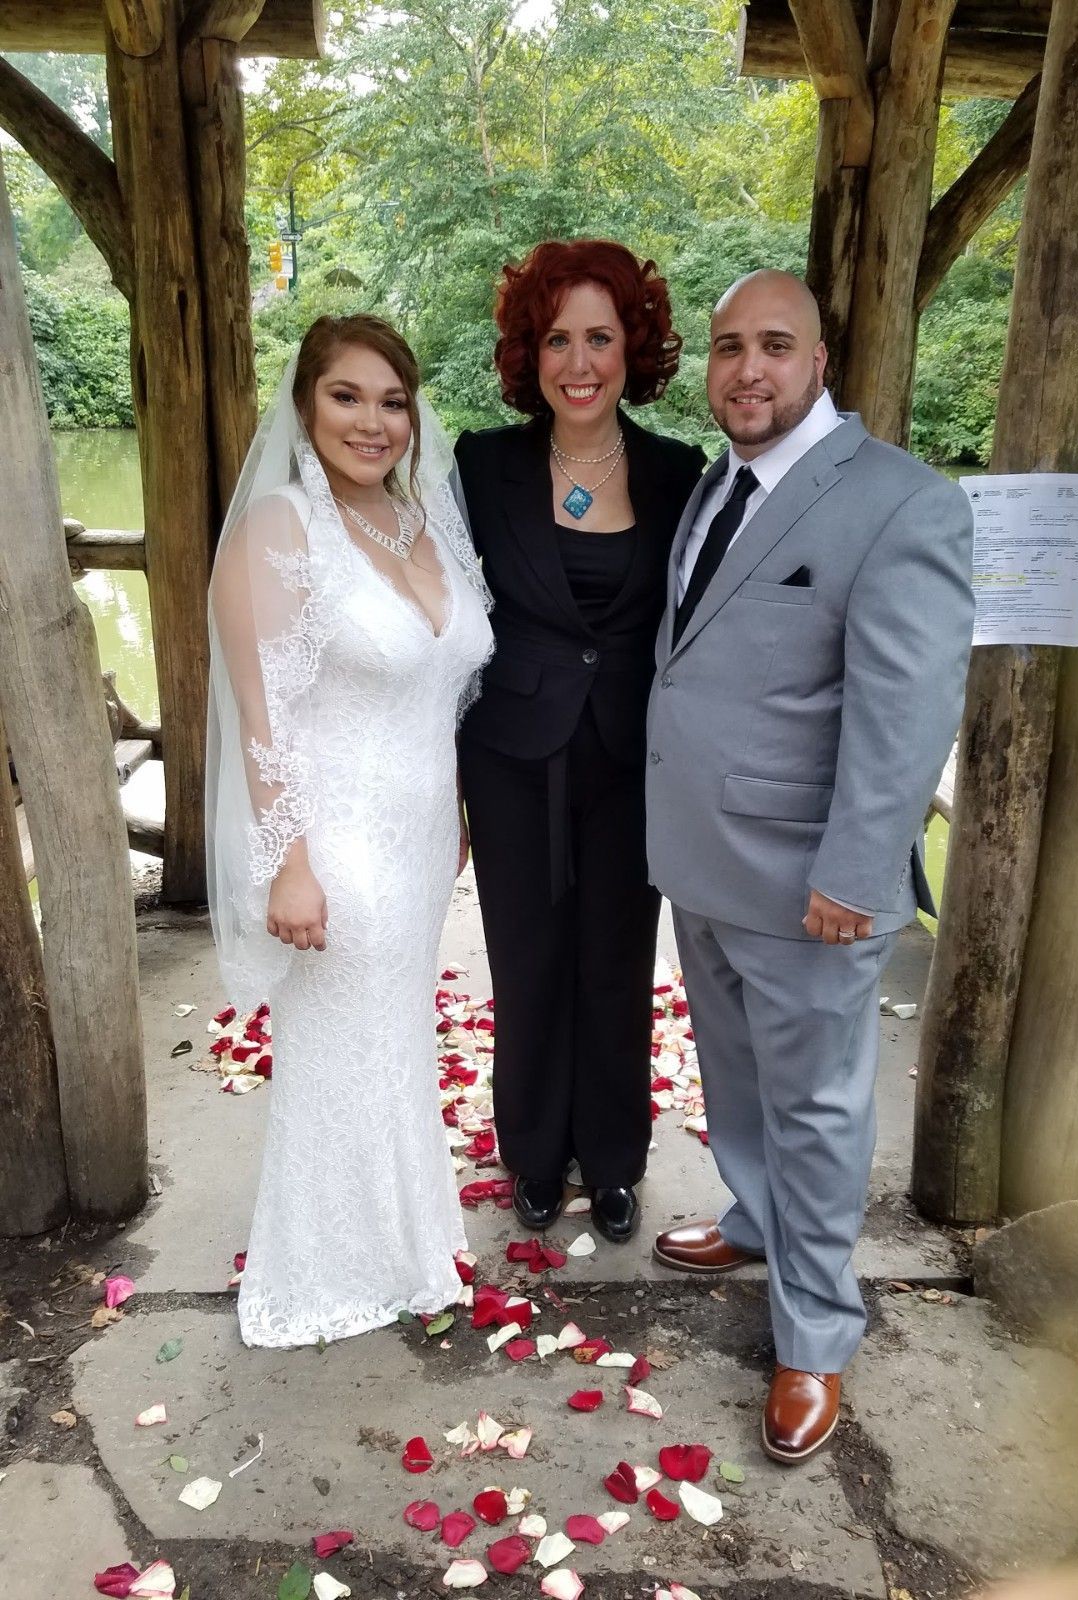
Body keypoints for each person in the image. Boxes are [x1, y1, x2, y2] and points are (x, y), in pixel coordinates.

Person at [646, 270, 975, 1459]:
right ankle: (751, 1214)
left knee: (823, 1108)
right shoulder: (712, 484)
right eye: (729, 346)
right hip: (705, 859)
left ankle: (815, 1335)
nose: (747, 369)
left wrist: (857, 865)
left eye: (774, 345)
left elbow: (907, 706)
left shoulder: (901, 503)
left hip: (812, 883)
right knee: (735, 1074)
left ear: (822, 358)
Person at [206, 314, 494, 1348]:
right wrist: (288, 866)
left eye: (392, 401)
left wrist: (455, 810)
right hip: (333, 844)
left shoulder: (421, 521)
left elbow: (445, 686)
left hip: (418, 840)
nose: (372, 422)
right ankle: (322, 1265)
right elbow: (261, 715)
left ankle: (410, 1244)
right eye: (346, 396)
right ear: (303, 404)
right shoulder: (280, 531)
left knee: (395, 1045)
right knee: (341, 1050)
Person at [455, 240, 706, 1244]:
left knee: (614, 959)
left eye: (601, 335)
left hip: (630, 758)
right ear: (530, 349)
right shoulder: (481, 464)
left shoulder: (679, 471)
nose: (579, 361)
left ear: (632, 344)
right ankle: (532, 1150)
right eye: (557, 337)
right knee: (526, 958)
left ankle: (612, 1157)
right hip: (513, 755)